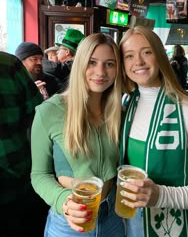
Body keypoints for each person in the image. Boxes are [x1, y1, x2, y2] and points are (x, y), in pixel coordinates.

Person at [118, 27, 188, 237]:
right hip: (129, 227)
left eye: (146, 52)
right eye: (129, 56)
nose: (138, 62)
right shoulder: (127, 104)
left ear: (161, 56)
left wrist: (160, 195)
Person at [31, 33, 125, 237]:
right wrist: (63, 201)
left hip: (113, 219)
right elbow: (39, 174)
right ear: (79, 62)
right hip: (69, 223)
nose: (100, 72)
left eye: (109, 64)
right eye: (92, 62)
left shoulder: (120, 113)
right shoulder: (49, 111)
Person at [0, 51, 48, 237]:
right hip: (19, 179)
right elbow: (36, 116)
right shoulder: (8, 63)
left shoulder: (9, 64)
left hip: (19, 182)